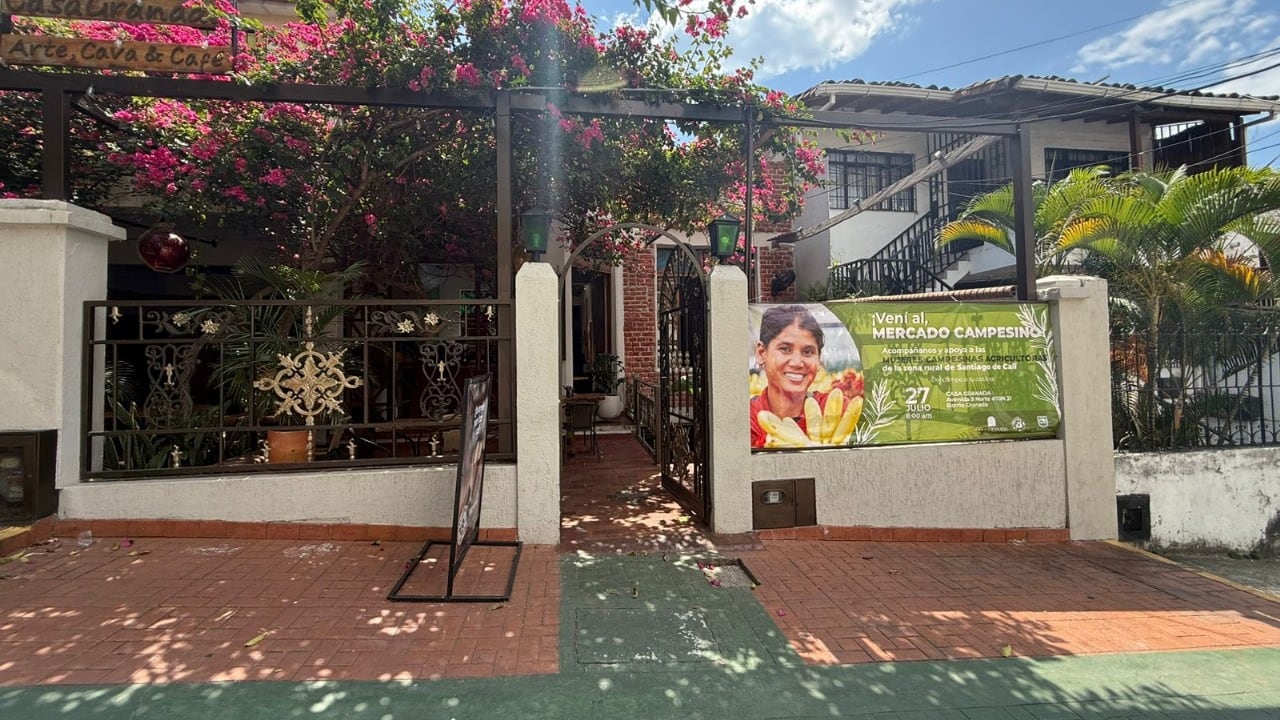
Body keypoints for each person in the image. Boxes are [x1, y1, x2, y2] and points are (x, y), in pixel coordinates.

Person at [750, 305, 830, 448]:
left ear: (819, 359)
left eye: (808, 352)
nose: (797, 363)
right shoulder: (746, 419)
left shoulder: (834, 409)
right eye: (785, 349)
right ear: (761, 353)